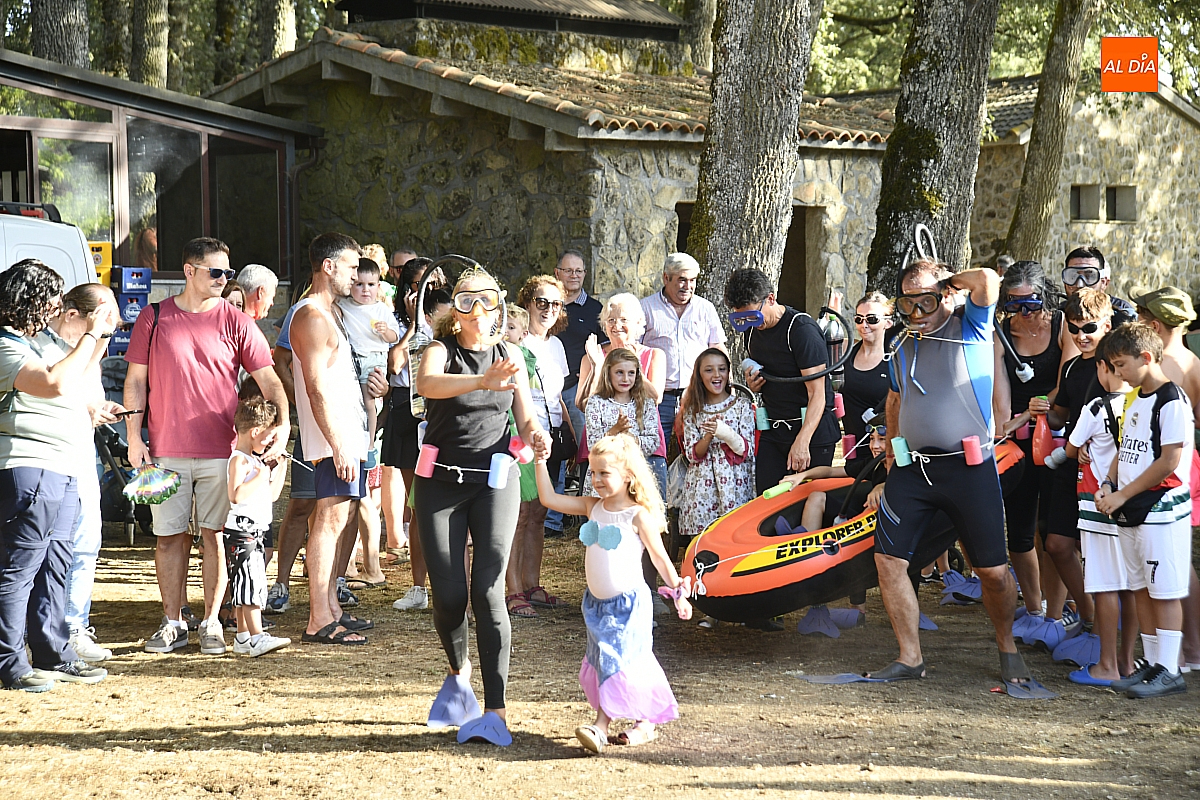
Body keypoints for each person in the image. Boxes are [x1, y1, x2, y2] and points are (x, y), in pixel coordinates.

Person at [872, 259, 1037, 688]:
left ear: (946, 295)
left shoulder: (972, 326)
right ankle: (910, 657)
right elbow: (895, 399)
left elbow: (987, 280)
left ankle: (1007, 645)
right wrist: (892, 451)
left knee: (993, 572)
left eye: (925, 302)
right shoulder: (902, 343)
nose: (916, 313)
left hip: (969, 468)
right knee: (889, 561)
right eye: (907, 304)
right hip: (914, 470)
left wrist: (948, 283)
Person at [125, 238, 288, 656]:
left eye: (227, 273)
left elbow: (270, 381)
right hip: (165, 450)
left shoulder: (238, 321)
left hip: (222, 450)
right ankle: (173, 622)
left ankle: (212, 622)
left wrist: (283, 425)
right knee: (168, 538)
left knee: (214, 537)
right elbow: (136, 381)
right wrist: (133, 437)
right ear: (189, 271)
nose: (223, 279)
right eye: (215, 272)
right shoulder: (154, 316)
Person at [414, 267, 551, 747]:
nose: (478, 310)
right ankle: (459, 678)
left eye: (487, 301)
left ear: (499, 308)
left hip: (495, 481)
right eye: (467, 301)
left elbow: (525, 416)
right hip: (439, 482)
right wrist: (481, 381)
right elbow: (428, 384)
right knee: (450, 595)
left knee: (489, 591)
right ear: (455, 310)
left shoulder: (510, 355)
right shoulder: (440, 350)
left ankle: (496, 712)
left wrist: (537, 434)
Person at [534, 434, 691, 753]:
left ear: (628, 475)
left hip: (629, 605)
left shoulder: (637, 515)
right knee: (628, 662)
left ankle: (601, 727)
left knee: (614, 659)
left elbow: (660, 557)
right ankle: (645, 722)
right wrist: (539, 460)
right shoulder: (592, 507)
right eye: (593, 472)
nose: (596, 479)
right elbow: (549, 498)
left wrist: (678, 591)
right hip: (596, 606)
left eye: (604, 473)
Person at [0, 261, 116, 692]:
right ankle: (10, 663)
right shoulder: (6, 346)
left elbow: (74, 384)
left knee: (56, 564)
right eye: (49, 298)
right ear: (26, 300)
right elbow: (53, 383)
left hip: (63, 466)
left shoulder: (36, 343)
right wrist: (90, 334)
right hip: (27, 464)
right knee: (19, 569)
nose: (55, 307)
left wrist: (97, 339)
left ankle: (54, 653)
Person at [1095, 322, 1194, 698]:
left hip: (1161, 508)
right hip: (1130, 508)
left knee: (1164, 590)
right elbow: (1125, 446)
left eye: (1121, 364)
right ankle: (1153, 664)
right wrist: (1109, 482)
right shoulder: (1135, 396)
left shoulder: (1172, 399)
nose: (1117, 373)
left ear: (1146, 357)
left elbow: (1169, 461)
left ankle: (1170, 669)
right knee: (1140, 587)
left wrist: (1123, 495)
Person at [290, 233, 374, 646]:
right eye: (351, 266)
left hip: (347, 434)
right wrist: (337, 443)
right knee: (328, 520)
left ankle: (332, 609)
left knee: (342, 517)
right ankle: (318, 618)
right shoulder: (311, 316)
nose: (356, 275)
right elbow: (315, 387)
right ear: (328, 266)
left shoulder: (331, 313)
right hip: (331, 440)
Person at [39, 283, 123, 663]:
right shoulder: (44, 348)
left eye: (111, 331)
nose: (105, 337)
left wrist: (99, 409)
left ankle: (75, 626)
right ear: (72, 315)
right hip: (46, 457)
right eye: (102, 326)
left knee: (87, 540)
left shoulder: (91, 348)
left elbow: (87, 396)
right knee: (40, 547)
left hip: (81, 453)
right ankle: (42, 629)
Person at [994, 260, 1078, 639]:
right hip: (1018, 435)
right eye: (1014, 304)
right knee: (1020, 529)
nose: (1023, 312)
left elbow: (1067, 382)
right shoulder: (1001, 333)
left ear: (1044, 296)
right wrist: (1007, 427)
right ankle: (1033, 607)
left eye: (1030, 303)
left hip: (1056, 431)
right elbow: (1001, 398)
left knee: (1053, 529)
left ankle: (1055, 616)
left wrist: (1036, 408)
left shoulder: (1061, 325)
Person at [1032, 288, 1113, 649]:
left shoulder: (1115, 365)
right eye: (1074, 328)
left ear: (1107, 325)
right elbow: (1062, 414)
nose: (1081, 336)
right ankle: (1088, 615)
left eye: (1089, 328)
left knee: (1099, 552)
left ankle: (1104, 634)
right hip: (1070, 463)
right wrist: (1041, 410)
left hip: (1105, 471)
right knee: (1057, 544)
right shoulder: (1072, 366)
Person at [1129, 285, 1200, 672]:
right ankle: (1190, 648)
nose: (1136, 321)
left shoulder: (1165, 368)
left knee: (1171, 564)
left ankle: (1183, 652)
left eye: (1141, 316)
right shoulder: (1192, 360)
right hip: (1187, 464)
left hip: (1163, 469)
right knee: (1179, 559)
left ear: (1155, 325)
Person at [1063, 337, 1140, 686]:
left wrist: (1082, 448)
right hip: (1131, 504)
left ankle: (1106, 664)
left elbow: (1071, 447)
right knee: (1130, 585)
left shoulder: (1096, 407)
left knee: (1106, 585)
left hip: (1098, 506)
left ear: (1102, 367)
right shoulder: (1141, 403)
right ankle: (1127, 661)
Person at [723, 268, 837, 492]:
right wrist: (755, 383)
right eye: (742, 319)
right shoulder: (751, 332)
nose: (750, 323)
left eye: (754, 316)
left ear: (771, 298)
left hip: (811, 429)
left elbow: (818, 393)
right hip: (775, 429)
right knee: (767, 497)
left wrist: (803, 441)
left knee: (807, 501)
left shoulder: (801, 330)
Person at [505, 276, 573, 618]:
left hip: (551, 436)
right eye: (541, 302)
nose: (548, 309)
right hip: (522, 435)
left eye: (555, 304)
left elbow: (557, 397)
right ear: (528, 302)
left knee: (539, 512)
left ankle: (532, 583)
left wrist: (571, 436)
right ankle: (513, 589)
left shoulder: (556, 346)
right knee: (519, 513)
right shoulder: (514, 340)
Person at [385, 257, 443, 612]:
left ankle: (448, 586)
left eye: (434, 282)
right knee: (419, 503)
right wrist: (414, 324)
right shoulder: (395, 321)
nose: (429, 290)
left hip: (444, 414)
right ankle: (419, 587)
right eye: (422, 283)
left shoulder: (454, 315)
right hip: (410, 413)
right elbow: (395, 364)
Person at [577, 293, 667, 492]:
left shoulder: (654, 354)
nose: (616, 325)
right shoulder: (593, 355)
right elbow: (583, 403)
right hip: (601, 451)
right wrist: (598, 366)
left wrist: (636, 364)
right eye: (611, 320)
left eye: (624, 319)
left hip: (645, 451)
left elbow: (656, 397)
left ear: (638, 323)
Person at [224, 393, 290, 656]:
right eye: (268, 436)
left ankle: (242, 637)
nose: (270, 442)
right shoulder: (239, 460)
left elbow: (271, 494)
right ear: (254, 432)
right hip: (243, 533)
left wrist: (278, 468)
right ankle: (257, 636)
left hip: (256, 532)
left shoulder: (255, 461)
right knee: (250, 585)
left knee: (246, 583)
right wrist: (260, 476)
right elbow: (235, 494)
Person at [548, 249, 605, 537]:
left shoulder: (595, 309)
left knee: (584, 453)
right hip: (547, 392)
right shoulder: (549, 305)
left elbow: (603, 350)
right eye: (568, 270)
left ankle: (587, 516)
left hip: (578, 390)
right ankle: (552, 520)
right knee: (554, 451)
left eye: (579, 271)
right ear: (557, 273)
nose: (574, 275)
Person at [640, 252, 727, 440]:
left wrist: (727, 390)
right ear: (666, 278)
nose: (688, 286)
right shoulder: (645, 308)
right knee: (655, 451)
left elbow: (718, 349)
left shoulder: (705, 308)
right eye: (682, 280)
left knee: (700, 450)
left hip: (698, 395)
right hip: (658, 398)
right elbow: (634, 350)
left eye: (692, 280)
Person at [677, 347, 755, 541]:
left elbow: (746, 450)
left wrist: (725, 432)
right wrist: (708, 436)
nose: (716, 375)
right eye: (709, 370)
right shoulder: (693, 411)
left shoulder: (742, 406)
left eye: (722, 369)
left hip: (735, 483)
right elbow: (692, 455)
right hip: (703, 485)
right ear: (699, 375)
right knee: (704, 539)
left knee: (735, 535)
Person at [337, 257, 400, 467]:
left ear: (378, 286)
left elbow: (394, 337)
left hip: (374, 358)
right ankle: (353, 441)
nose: (365, 290)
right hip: (351, 357)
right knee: (351, 401)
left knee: (368, 402)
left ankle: (370, 445)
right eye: (359, 284)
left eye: (371, 285)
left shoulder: (381, 309)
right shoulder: (344, 305)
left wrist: (386, 331)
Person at [582, 349, 664, 497]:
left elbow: (653, 442)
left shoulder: (646, 403)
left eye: (631, 373)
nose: (625, 379)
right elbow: (592, 445)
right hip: (603, 474)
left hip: (633, 474)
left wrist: (630, 438)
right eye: (619, 372)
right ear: (608, 373)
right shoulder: (596, 402)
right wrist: (614, 431)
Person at [841, 292, 895, 452]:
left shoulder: (896, 359)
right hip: (854, 446)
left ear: (888, 322)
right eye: (859, 319)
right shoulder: (847, 352)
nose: (864, 325)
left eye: (872, 319)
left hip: (883, 448)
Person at [1061, 246, 1136, 328]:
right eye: (1072, 276)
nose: (1080, 284)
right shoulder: (1057, 316)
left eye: (1089, 277)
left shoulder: (1123, 316)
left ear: (1104, 283)